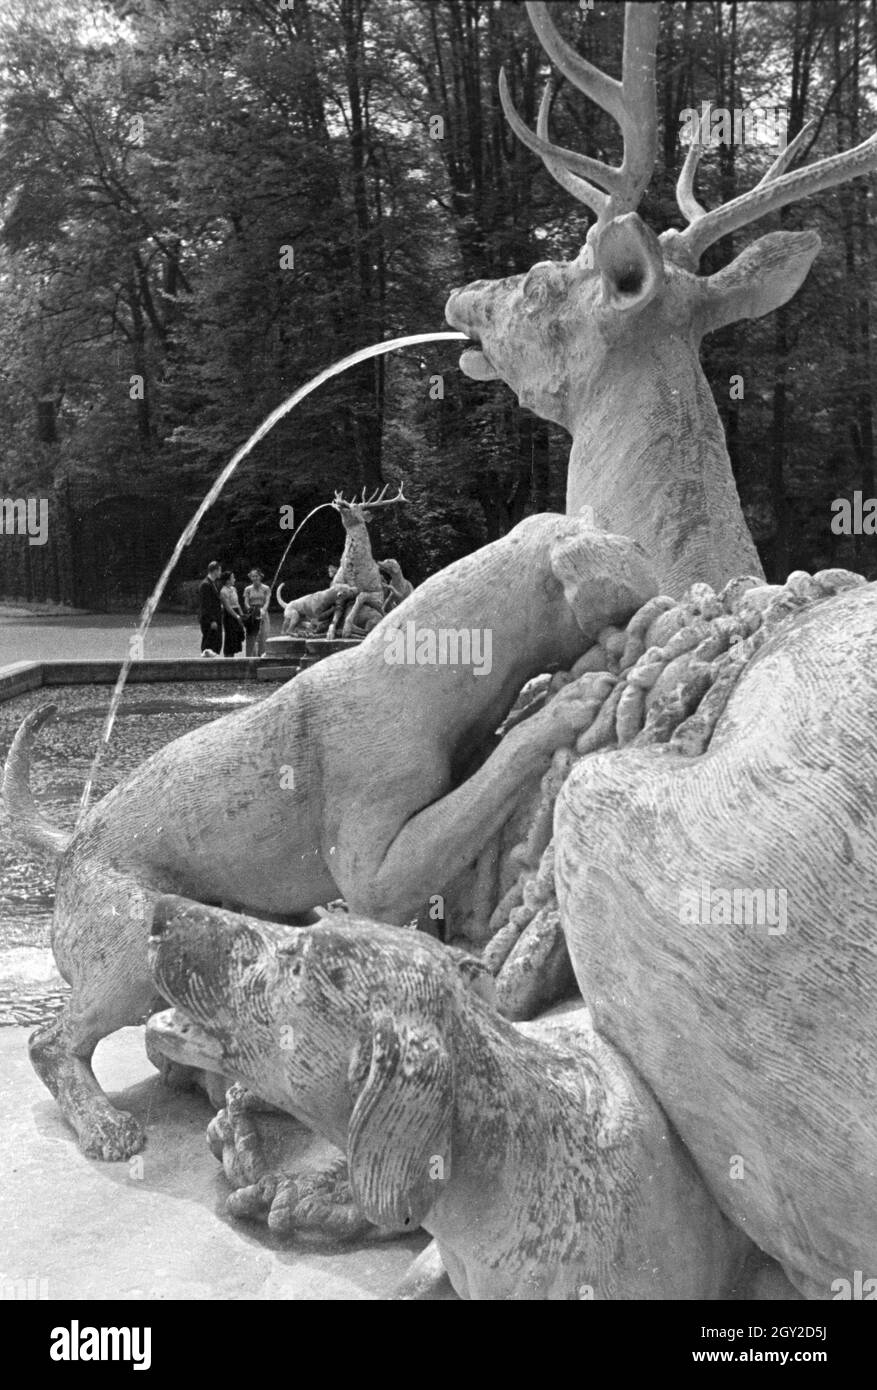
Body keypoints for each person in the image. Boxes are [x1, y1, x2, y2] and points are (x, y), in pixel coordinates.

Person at [243, 568, 272, 657]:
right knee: (252, 637)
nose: (254, 578)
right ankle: (250, 658)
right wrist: (250, 610)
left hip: (263, 612)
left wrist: (263, 610)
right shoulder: (247, 589)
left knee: (263, 636)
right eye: (252, 576)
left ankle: (262, 657)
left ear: (260, 577)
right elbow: (246, 602)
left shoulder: (266, 588)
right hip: (252, 613)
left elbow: (267, 601)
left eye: (256, 576)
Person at [198, 561, 223, 656]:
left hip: (215, 619)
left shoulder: (212, 583)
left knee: (215, 646)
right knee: (209, 647)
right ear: (215, 571)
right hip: (210, 621)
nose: (220, 573)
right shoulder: (206, 585)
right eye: (220, 570)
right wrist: (212, 620)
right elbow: (206, 605)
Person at [219, 570, 246, 657]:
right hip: (229, 616)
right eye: (232, 578)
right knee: (230, 637)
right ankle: (228, 657)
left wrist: (242, 615)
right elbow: (228, 607)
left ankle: (232, 656)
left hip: (236, 612)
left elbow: (237, 604)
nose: (234, 579)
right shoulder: (223, 591)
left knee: (236, 637)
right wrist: (237, 616)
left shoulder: (234, 589)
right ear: (227, 580)